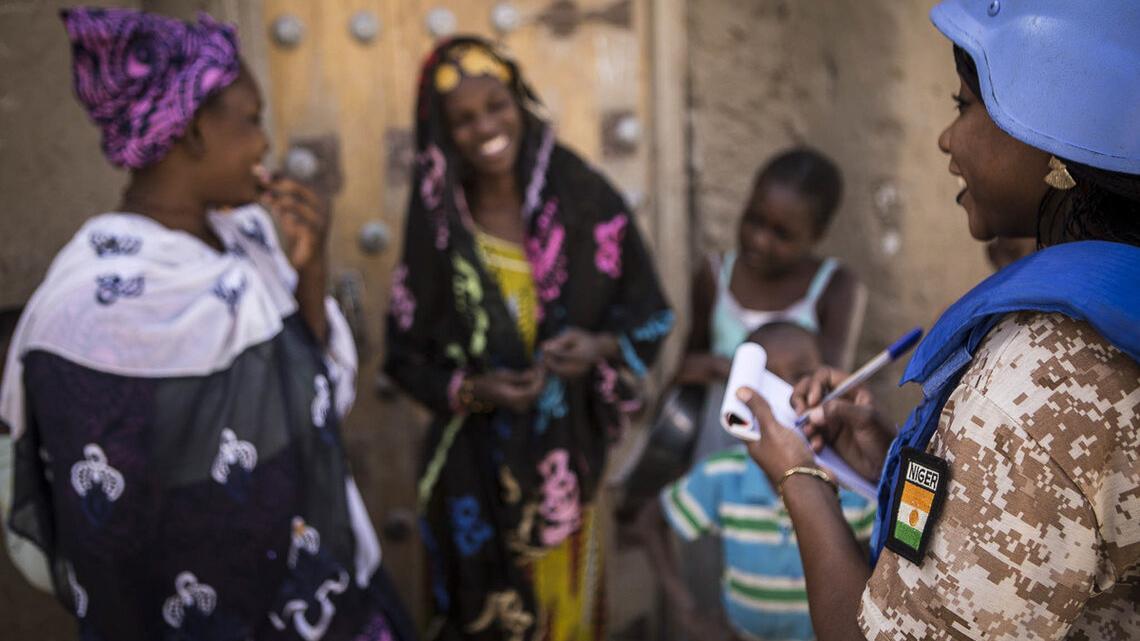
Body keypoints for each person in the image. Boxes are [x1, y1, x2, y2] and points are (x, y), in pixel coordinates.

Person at [0, 8, 414, 640]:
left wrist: (309, 271)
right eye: (251, 120)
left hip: (323, 598)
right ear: (194, 132)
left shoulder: (248, 239)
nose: (265, 145)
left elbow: (317, 406)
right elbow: (107, 529)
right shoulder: (88, 308)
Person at [736, 2, 1140, 640]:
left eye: (964, 105)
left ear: (1049, 138)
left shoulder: (1038, 379)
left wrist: (800, 477)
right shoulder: (1114, 315)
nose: (947, 139)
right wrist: (901, 465)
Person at [384, 37, 672, 641]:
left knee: (567, 618)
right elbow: (405, 358)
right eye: (463, 119)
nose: (486, 127)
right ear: (442, 132)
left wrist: (597, 347)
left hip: (570, 470)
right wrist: (477, 390)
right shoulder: (439, 223)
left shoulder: (583, 196)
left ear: (519, 100)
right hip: (472, 481)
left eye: (496, 105)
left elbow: (650, 314)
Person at [639, 322, 876, 641]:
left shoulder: (851, 484)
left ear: (824, 384)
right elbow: (650, 521)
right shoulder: (722, 475)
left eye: (799, 375)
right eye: (764, 379)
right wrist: (686, 610)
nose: (785, 393)